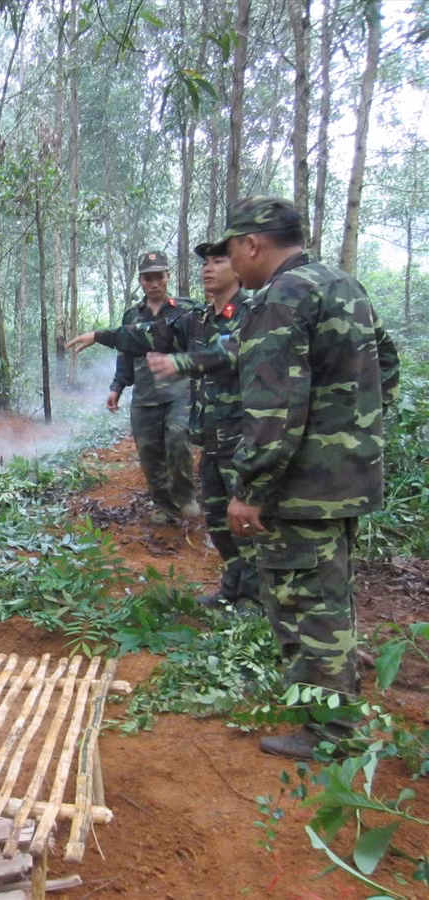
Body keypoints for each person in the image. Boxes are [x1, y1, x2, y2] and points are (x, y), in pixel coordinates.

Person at [218, 196, 399, 759]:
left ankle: (328, 734)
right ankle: (334, 712)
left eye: (231, 249)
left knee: (305, 611)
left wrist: (250, 490)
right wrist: (350, 435)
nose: (231, 261)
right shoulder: (343, 285)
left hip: (300, 493)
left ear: (253, 244)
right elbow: (386, 365)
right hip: (344, 483)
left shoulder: (283, 296)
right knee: (330, 602)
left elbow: (275, 408)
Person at [68, 243, 259, 612]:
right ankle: (233, 589)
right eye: (204, 262)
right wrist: (101, 336)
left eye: (219, 261)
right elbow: (149, 337)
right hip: (214, 435)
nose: (207, 269)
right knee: (219, 520)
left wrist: (182, 363)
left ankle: (257, 598)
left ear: (239, 270)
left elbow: (231, 354)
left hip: (244, 437)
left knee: (247, 521)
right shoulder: (198, 320)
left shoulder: (253, 313)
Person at [103, 252, 200, 523]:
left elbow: (200, 349)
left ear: (168, 277)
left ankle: (185, 496)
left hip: (179, 391)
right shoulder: (132, 315)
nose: (154, 282)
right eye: (148, 278)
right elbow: (125, 353)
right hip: (145, 394)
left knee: (178, 436)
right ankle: (164, 505)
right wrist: (117, 387)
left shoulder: (186, 310)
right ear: (141, 281)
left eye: (159, 276)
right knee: (149, 451)